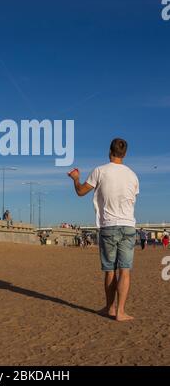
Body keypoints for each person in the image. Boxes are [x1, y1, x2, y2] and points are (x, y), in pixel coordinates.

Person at [68, 138, 139, 322]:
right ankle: (121, 312)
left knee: (110, 271)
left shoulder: (100, 171)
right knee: (125, 271)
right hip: (128, 225)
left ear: (110, 151)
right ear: (124, 154)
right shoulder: (133, 175)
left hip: (108, 225)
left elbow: (81, 192)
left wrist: (76, 179)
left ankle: (110, 308)